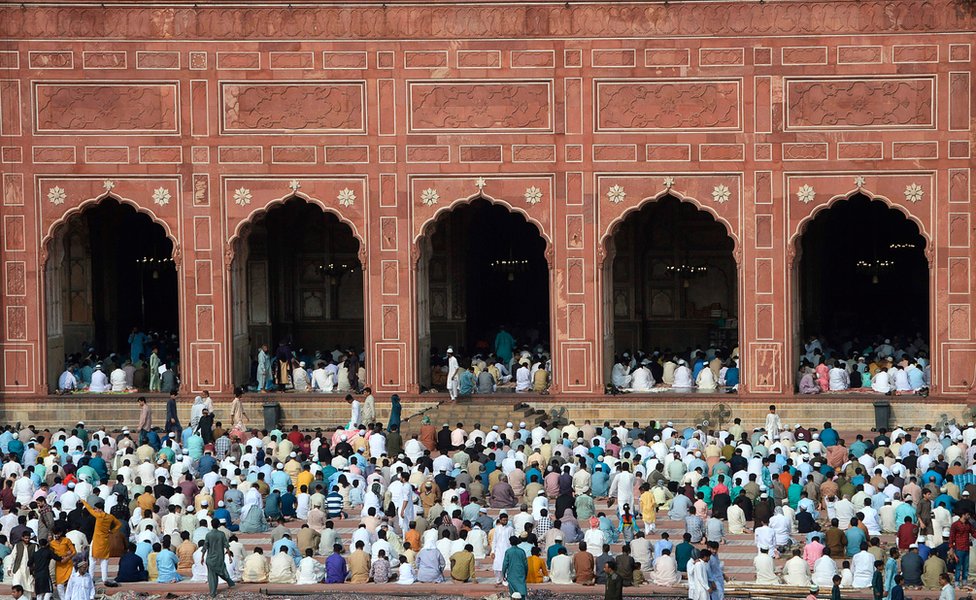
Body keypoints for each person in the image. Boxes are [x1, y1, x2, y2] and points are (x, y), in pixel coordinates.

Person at [203, 521, 235, 596]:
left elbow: (205, 547)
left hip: (210, 558)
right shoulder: (221, 534)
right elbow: (227, 546)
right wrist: (230, 557)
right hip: (219, 558)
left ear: (211, 525)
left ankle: (213, 592)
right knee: (222, 571)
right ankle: (230, 582)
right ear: (219, 525)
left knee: (212, 576)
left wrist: (202, 557)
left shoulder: (208, 535)